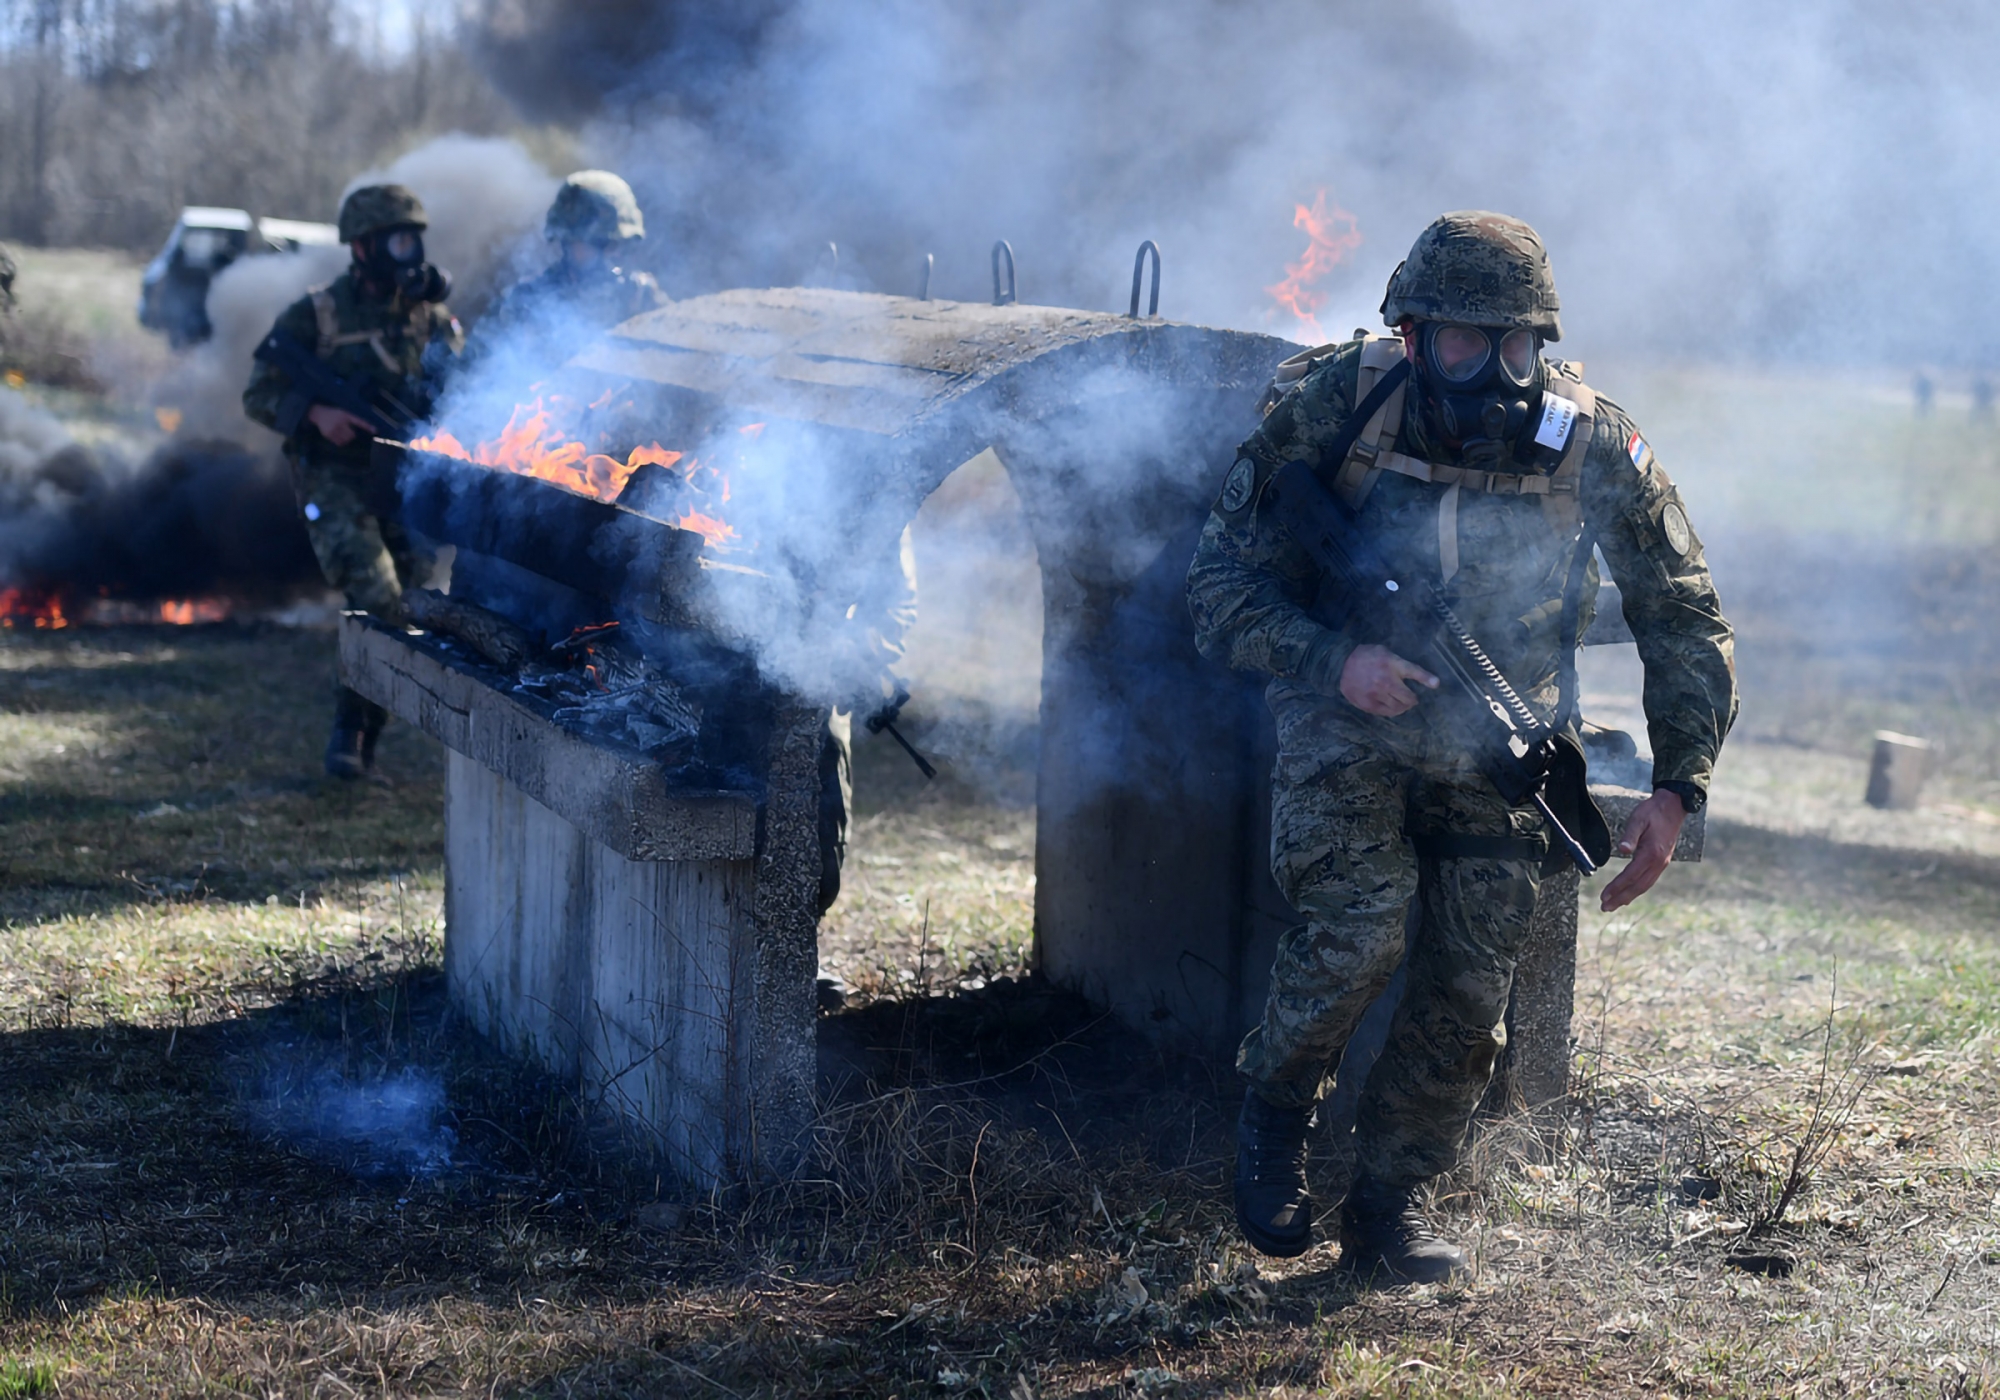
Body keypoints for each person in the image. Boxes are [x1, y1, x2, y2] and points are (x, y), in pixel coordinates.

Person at [1185, 211, 1736, 1283]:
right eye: (1461, 346)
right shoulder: (1336, 405)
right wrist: (1329, 658)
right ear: (1410, 336)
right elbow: (1217, 587)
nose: (1492, 372)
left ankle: (1388, 1203)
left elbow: (1682, 613)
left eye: (1516, 345)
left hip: (1503, 732)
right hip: (1348, 709)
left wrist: (1677, 786)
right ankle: (1272, 1121)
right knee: (1358, 925)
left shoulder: (1588, 440)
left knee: (1470, 982)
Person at [243, 183, 462, 779]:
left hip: (402, 483)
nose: (408, 249)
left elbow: (461, 393)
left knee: (412, 609)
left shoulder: (430, 319)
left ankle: (365, 734)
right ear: (362, 247)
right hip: (334, 479)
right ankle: (349, 733)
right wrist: (319, 415)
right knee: (375, 596)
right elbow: (258, 394)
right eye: (396, 237)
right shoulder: (317, 314)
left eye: (413, 237)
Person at [460, 170, 667, 370]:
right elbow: (470, 374)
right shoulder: (523, 303)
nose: (610, 253)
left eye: (616, 243)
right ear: (567, 240)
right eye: (599, 242)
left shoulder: (641, 296)